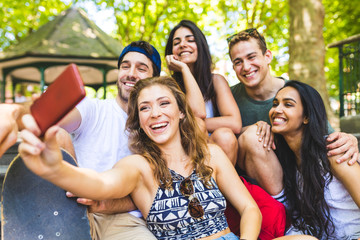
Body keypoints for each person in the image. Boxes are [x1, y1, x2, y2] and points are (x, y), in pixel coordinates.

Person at [19, 76, 263, 240]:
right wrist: (56, 169)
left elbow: (249, 208)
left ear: (180, 112)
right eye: (145, 108)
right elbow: (100, 184)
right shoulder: (139, 167)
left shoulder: (212, 155)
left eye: (164, 103)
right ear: (139, 120)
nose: (155, 114)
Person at [227, 28, 359, 196]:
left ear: (267, 56)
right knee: (253, 135)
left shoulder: (297, 93)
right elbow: (217, 136)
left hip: (299, 177)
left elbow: (324, 137)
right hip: (256, 182)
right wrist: (251, 128)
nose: (246, 67)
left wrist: (350, 139)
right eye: (238, 62)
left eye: (251, 57)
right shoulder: (228, 97)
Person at [56, 41, 161, 240]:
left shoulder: (159, 126)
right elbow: (58, 120)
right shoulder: (93, 108)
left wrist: (103, 204)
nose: (131, 73)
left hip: (124, 220)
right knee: (56, 133)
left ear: (154, 79)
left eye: (141, 68)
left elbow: (152, 193)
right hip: (72, 212)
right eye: (125, 66)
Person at [270, 80, 360, 239]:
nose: (277, 110)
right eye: (275, 104)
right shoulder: (289, 159)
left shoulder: (334, 152)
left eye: (288, 105)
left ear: (306, 117)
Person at [165, 20, 241, 165]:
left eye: (190, 40)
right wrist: (184, 69)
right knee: (198, 126)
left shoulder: (216, 81)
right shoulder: (167, 86)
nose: (182, 45)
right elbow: (196, 112)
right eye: (176, 43)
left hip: (215, 149)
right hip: (183, 151)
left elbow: (235, 123)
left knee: (224, 135)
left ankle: (222, 185)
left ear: (200, 46)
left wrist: (196, 122)